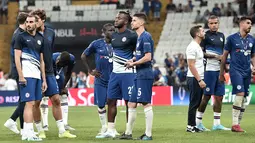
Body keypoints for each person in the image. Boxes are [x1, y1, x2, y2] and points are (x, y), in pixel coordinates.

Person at [31, 9, 76, 139]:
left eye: (37, 20)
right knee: (37, 102)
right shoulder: (30, 34)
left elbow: (49, 51)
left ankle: (62, 131)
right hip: (36, 71)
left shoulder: (51, 33)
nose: (34, 22)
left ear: (43, 20)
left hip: (49, 71)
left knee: (56, 99)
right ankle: (40, 131)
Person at [96, 11, 137, 138]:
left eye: (119, 18)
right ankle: (110, 130)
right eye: (116, 17)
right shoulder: (112, 36)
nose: (116, 19)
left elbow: (140, 51)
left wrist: (134, 60)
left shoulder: (132, 35)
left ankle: (128, 131)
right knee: (110, 101)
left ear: (125, 22)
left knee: (128, 102)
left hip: (128, 74)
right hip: (115, 73)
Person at [119, 13, 154, 140]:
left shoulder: (145, 37)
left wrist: (134, 63)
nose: (131, 23)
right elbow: (140, 55)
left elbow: (148, 57)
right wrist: (132, 60)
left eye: (134, 20)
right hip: (138, 74)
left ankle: (148, 134)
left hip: (144, 74)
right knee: (131, 103)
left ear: (141, 23)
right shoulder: (139, 38)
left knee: (145, 103)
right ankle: (128, 133)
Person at [14, 14, 47, 141]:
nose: (28, 24)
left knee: (34, 105)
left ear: (36, 23)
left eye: (31, 22)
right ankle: (27, 133)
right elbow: (17, 58)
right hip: (26, 76)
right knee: (28, 104)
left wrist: (44, 79)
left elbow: (42, 60)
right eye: (27, 22)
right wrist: (21, 76)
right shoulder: (20, 37)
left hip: (37, 76)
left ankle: (29, 133)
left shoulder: (40, 38)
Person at [220, 16, 255, 132]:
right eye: (248, 23)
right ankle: (235, 124)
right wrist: (222, 72)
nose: (251, 25)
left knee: (244, 97)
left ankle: (238, 123)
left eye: (251, 23)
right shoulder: (231, 39)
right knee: (240, 94)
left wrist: (254, 66)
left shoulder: (252, 39)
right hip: (235, 70)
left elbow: (253, 56)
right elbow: (224, 55)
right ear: (241, 24)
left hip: (247, 71)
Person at [196, 15, 230, 131]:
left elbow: (223, 55)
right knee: (206, 96)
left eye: (215, 23)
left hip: (219, 71)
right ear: (208, 24)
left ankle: (217, 124)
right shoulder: (204, 36)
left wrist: (224, 70)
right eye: (211, 23)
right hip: (209, 70)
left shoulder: (222, 36)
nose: (213, 25)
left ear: (218, 23)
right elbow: (201, 53)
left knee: (219, 97)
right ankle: (198, 122)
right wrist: (215, 56)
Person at [81, 23, 115, 137]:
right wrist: (90, 71)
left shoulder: (118, 43)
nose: (112, 32)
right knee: (101, 104)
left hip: (114, 79)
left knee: (112, 104)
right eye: (110, 30)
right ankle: (104, 126)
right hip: (100, 79)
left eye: (113, 30)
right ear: (104, 32)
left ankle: (111, 128)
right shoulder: (96, 44)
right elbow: (83, 56)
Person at [4, 12, 28, 135]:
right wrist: (22, 73)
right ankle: (14, 121)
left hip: (18, 70)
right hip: (21, 70)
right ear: (26, 21)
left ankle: (21, 127)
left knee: (24, 99)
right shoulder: (20, 35)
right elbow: (18, 56)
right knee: (25, 99)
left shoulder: (16, 33)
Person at [186, 25, 206, 133]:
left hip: (197, 78)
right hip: (194, 78)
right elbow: (191, 65)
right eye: (203, 31)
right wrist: (199, 80)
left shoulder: (197, 46)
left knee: (197, 103)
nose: (204, 32)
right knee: (194, 103)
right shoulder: (192, 47)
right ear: (197, 34)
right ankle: (190, 126)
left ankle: (193, 125)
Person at [52, 51, 76, 131]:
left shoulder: (71, 59)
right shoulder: (52, 57)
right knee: (43, 98)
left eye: (61, 63)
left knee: (64, 94)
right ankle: (45, 125)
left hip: (59, 73)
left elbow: (68, 73)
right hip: (49, 73)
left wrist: (63, 86)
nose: (58, 62)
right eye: (58, 61)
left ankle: (65, 124)